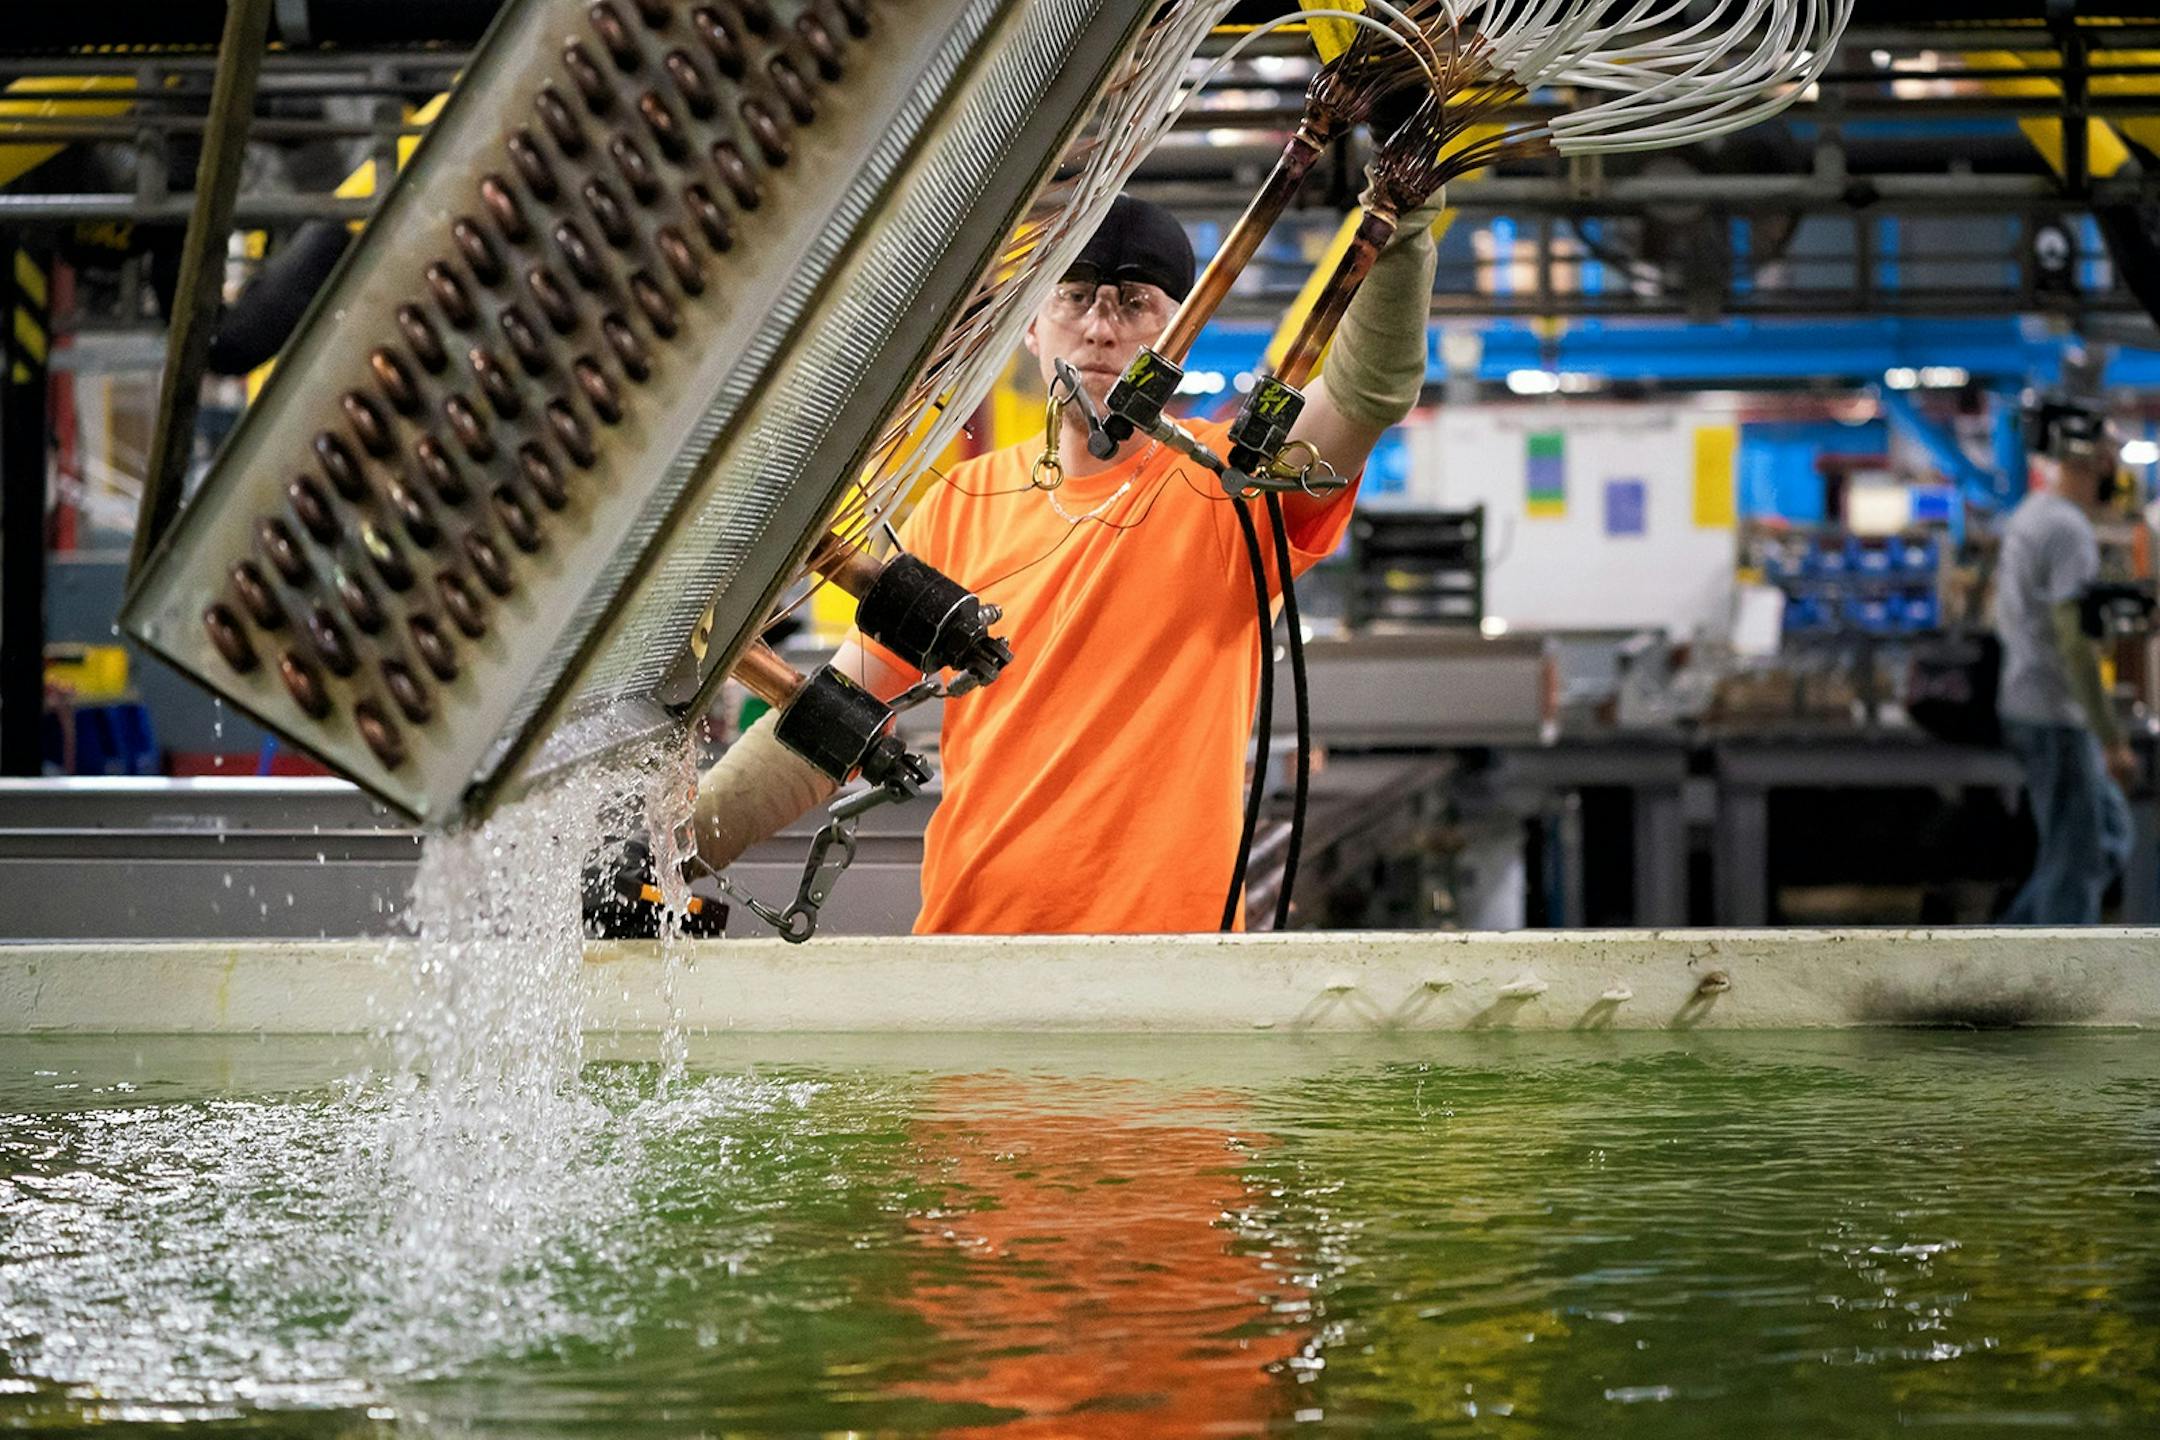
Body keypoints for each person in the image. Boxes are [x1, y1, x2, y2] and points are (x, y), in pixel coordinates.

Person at [690, 187, 1443, 934]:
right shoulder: (962, 499)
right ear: (1030, 327)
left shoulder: (1232, 489)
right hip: (973, 951)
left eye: (1134, 304)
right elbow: (838, 719)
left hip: (1165, 964)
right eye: (1073, 298)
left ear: (1179, 327)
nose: (1099, 331)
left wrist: (1406, 222)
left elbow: (1361, 398)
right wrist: (674, 850)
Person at [1993, 396, 2137, 924]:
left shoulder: (2032, 516)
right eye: (2105, 451)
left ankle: (2003, 960)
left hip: (2030, 701)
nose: (2113, 464)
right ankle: (2050, 990)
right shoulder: (2067, 530)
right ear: (2081, 454)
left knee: (2107, 838)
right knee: (2076, 864)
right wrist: (2111, 737)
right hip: (2055, 712)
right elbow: (2074, 645)